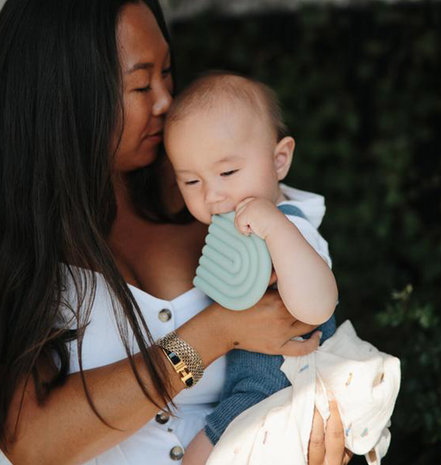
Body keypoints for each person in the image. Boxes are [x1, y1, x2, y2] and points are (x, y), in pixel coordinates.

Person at [0, 1, 351, 464]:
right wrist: (215, 332)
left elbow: (312, 343)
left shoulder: (223, 192)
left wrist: (321, 433)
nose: (166, 100)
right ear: (65, 96)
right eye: (141, 84)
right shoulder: (19, 240)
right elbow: (32, 443)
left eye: (167, 73)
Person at [163, 72, 400, 465]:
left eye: (226, 173)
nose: (212, 195)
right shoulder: (230, 236)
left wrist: (275, 228)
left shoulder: (292, 227)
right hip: (247, 393)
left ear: (279, 160)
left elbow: (317, 306)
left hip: (280, 391)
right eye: (190, 181)